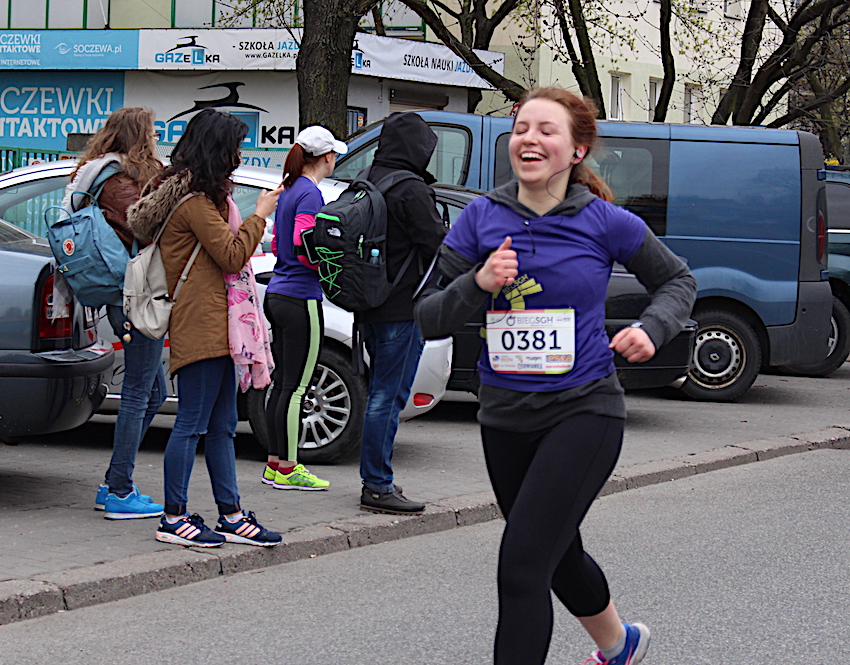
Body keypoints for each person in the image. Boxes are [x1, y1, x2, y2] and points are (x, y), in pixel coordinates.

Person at [414, 87, 696, 665]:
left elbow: (678, 281)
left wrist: (653, 327)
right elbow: (427, 315)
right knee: (556, 553)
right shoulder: (481, 217)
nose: (530, 140)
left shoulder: (606, 222)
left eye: (547, 131)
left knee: (521, 565)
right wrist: (479, 283)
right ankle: (619, 644)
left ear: (577, 149)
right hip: (504, 416)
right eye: (522, 129)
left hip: (584, 410)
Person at [127, 108, 283, 547]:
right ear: (217, 151)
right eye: (234, 148)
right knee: (192, 423)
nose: (239, 156)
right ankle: (174, 517)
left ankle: (231, 514)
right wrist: (260, 214)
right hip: (201, 324)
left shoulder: (202, 200)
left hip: (219, 325)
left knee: (223, 425)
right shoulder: (193, 204)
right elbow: (232, 255)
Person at [62, 107, 167, 520]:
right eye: (152, 133)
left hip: (121, 291)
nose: (156, 138)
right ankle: (119, 490)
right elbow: (145, 227)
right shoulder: (121, 181)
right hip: (134, 291)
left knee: (154, 393)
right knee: (140, 393)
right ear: (139, 137)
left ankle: (114, 481)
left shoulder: (95, 173)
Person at [357, 112, 446, 516]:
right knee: (387, 397)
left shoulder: (368, 178)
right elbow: (438, 245)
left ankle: (376, 478)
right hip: (402, 308)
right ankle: (377, 485)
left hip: (369, 304)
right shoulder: (410, 189)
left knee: (379, 390)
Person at [261, 126, 347, 491]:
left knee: (283, 383)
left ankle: (274, 464)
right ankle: (289, 468)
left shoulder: (290, 188)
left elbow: (279, 242)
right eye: (334, 155)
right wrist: (329, 262)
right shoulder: (311, 193)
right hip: (301, 297)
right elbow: (303, 242)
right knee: (298, 388)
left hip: (277, 293)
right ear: (326, 157)